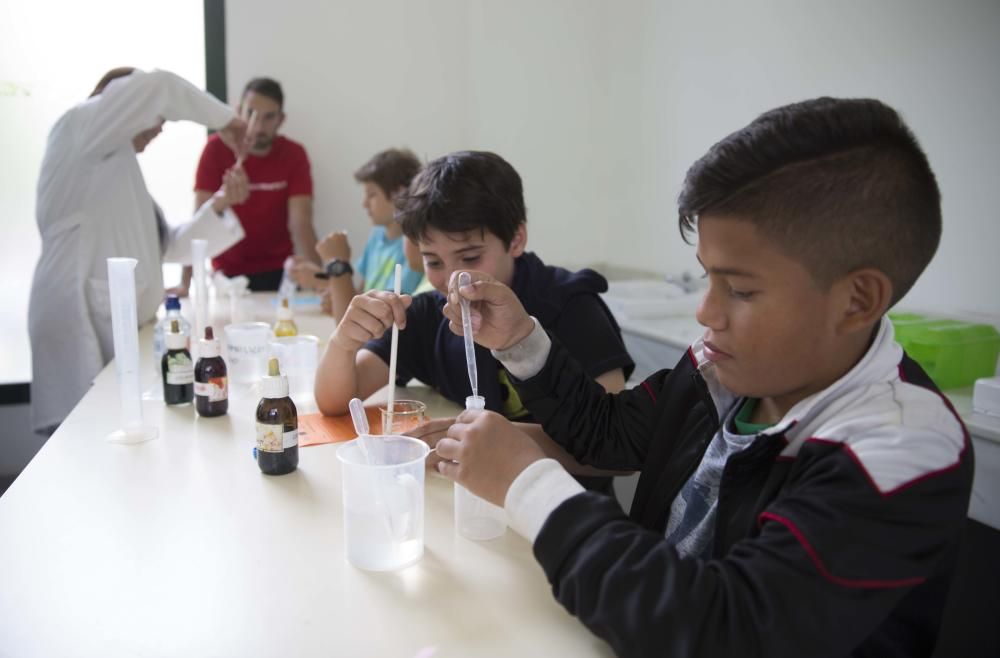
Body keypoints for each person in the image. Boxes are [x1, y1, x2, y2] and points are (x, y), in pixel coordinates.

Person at [433, 99, 974, 657]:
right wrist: (520, 339)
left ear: (857, 299)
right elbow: (611, 434)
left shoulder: (900, 449)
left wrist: (529, 485)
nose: (706, 312)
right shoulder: (726, 367)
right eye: (707, 278)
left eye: (739, 289)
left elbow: (726, 628)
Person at [314, 150, 635, 491]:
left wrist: (496, 440)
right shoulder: (426, 315)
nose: (453, 279)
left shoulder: (572, 307)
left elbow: (617, 450)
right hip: (466, 504)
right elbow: (336, 401)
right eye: (434, 262)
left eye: (470, 257)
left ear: (516, 239)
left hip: (568, 511)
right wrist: (344, 341)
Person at [28, 68, 248, 435]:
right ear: (116, 100)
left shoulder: (114, 172)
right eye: (156, 117)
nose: (160, 127)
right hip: (75, 307)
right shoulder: (78, 128)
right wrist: (226, 120)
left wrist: (222, 204)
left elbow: (168, 246)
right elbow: (158, 86)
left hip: (116, 322)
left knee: (106, 433)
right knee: (78, 441)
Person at [184, 77, 317, 292]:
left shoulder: (294, 155)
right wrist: (184, 283)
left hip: (280, 273)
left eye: (269, 117)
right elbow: (200, 220)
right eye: (251, 113)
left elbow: (301, 222)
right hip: (227, 275)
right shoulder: (215, 151)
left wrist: (321, 279)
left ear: (280, 119)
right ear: (239, 112)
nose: (258, 126)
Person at [291, 148, 424, 321]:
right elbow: (360, 295)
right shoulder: (377, 235)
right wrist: (330, 287)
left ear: (399, 193)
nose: (364, 204)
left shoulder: (412, 247)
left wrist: (333, 269)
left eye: (371, 195)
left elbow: (383, 312)